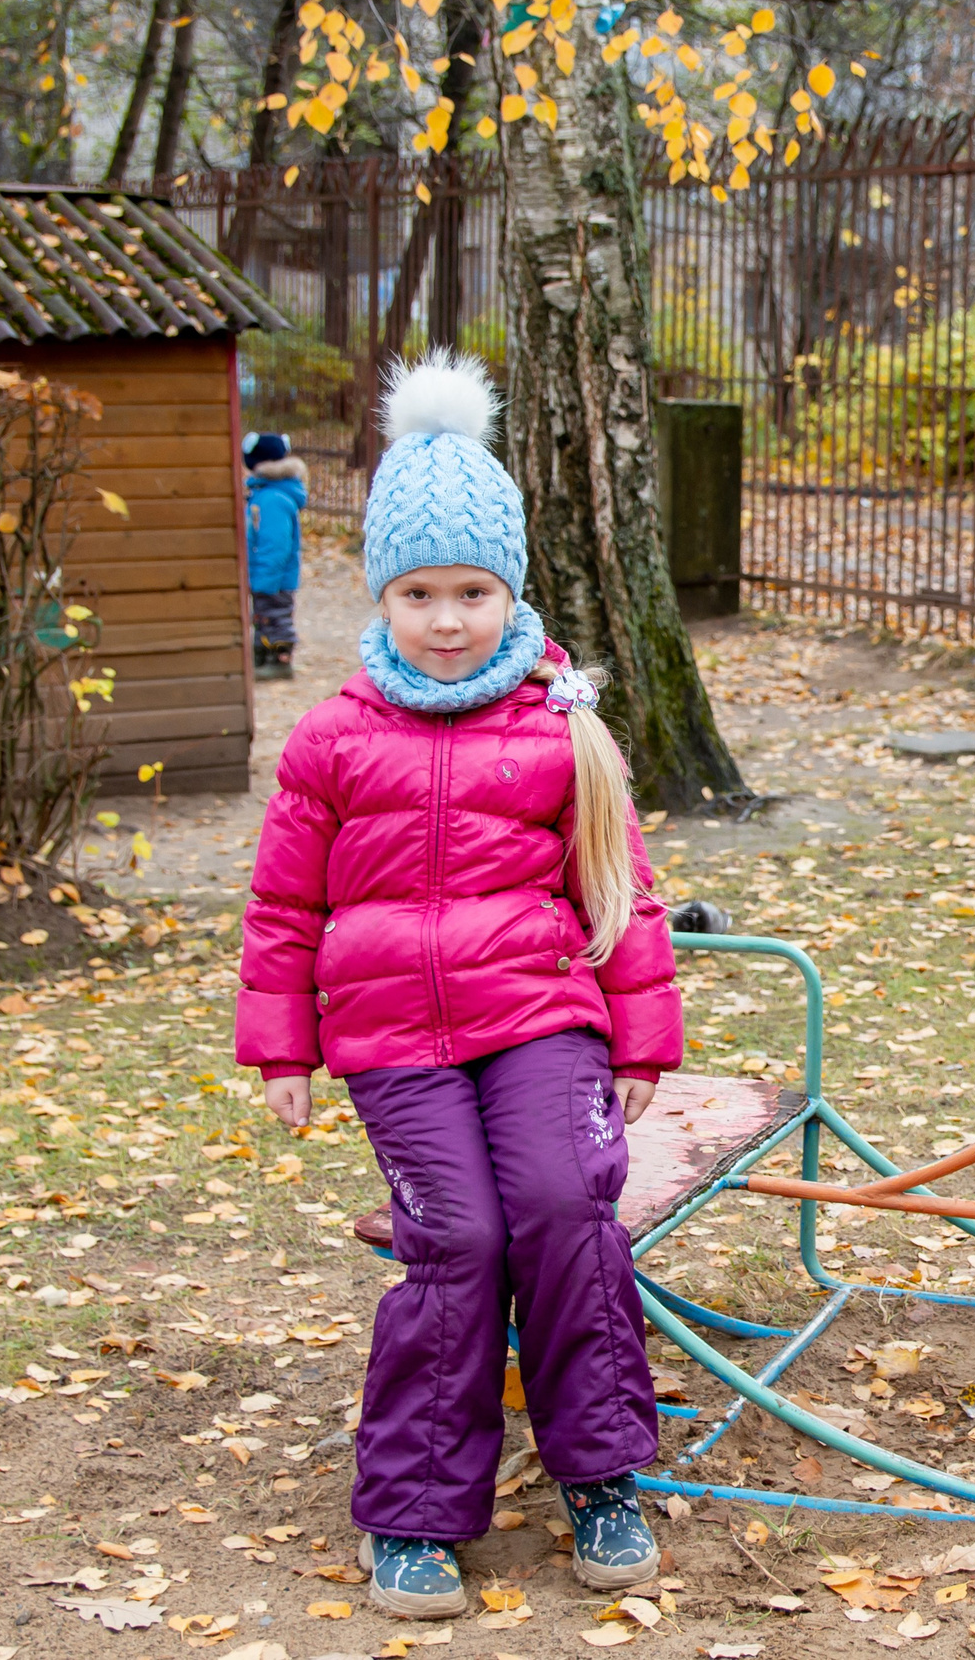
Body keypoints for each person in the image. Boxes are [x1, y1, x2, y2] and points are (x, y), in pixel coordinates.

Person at [234, 353, 680, 1620]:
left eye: (472, 592)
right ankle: (416, 1512)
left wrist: (643, 1038)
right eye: (420, 593)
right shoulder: (334, 736)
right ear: (382, 595)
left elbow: (621, 888)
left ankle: (602, 1476)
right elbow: (284, 904)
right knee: (458, 1238)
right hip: (394, 1043)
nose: (446, 621)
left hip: (539, 1022)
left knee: (560, 1209)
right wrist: (281, 1049)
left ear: (511, 591)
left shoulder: (559, 726)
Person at [243, 431, 307, 681]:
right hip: (266, 574)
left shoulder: (272, 499)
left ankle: (281, 661)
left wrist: (264, 580)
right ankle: (262, 654)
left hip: (274, 577)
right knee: (263, 615)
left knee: (276, 616)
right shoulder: (264, 492)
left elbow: (275, 545)